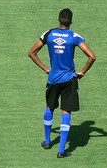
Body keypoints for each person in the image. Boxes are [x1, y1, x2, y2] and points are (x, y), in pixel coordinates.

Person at [28, 8, 96, 159]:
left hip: (53, 79)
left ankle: (47, 142)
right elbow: (92, 56)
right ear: (71, 21)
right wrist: (82, 72)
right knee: (66, 112)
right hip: (69, 80)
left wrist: (46, 69)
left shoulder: (49, 34)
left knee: (49, 107)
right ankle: (61, 151)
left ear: (58, 19)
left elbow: (31, 52)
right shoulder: (74, 36)